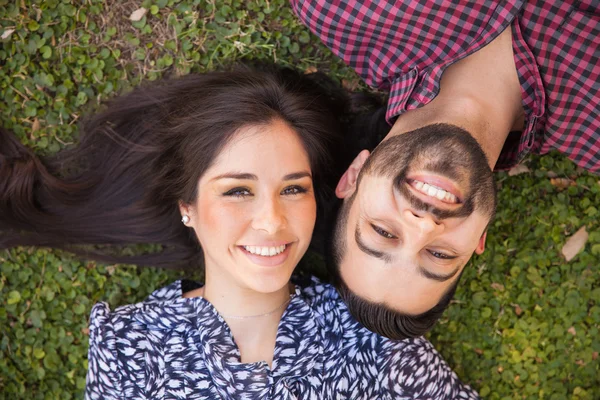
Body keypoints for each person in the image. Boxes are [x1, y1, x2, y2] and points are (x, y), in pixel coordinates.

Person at [0, 66, 479, 399]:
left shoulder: (369, 334)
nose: (271, 221)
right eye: (237, 192)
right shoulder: (130, 345)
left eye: (293, 189)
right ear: (187, 205)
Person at [291, 0, 600, 339]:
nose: (424, 228)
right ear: (478, 238)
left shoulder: (341, 10)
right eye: (439, 254)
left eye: (383, 232)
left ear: (354, 176)